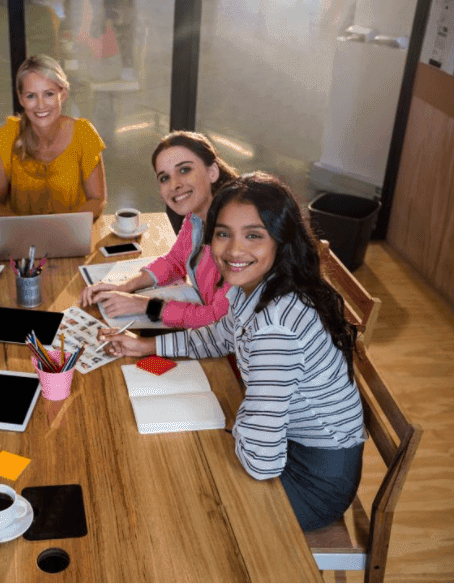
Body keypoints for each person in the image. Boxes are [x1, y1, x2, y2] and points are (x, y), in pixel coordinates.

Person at [99, 172, 366, 531]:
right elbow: (217, 338)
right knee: (170, 466)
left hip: (312, 479)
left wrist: (233, 424)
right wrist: (144, 346)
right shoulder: (257, 285)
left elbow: (262, 463)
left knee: (177, 507)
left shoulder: (276, 330)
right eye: (223, 233)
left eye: (253, 235)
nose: (234, 250)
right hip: (286, 442)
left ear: (281, 240)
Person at [80, 131, 238, 329]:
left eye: (185, 170)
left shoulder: (236, 237)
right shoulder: (196, 216)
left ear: (212, 172)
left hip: (234, 353)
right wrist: (125, 286)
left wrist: (145, 305)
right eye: (164, 178)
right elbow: (175, 261)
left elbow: (220, 319)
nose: (174, 185)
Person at [0, 54, 107, 218]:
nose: (41, 105)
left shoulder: (84, 133)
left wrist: (68, 228)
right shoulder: (5, 137)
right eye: (31, 96)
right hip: (22, 239)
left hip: (72, 236)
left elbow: (97, 199)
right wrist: (23, 231)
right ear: (21, 99)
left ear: (62, 94)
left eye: (48, 94)